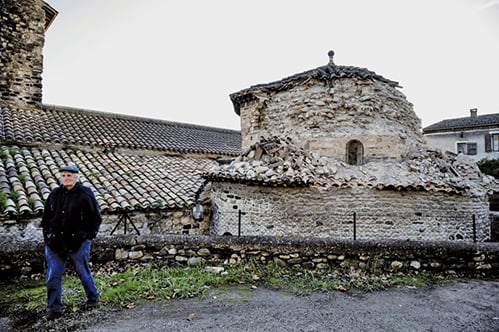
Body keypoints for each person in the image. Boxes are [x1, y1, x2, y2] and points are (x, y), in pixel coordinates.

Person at [41, 165, 102, 320]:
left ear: (76, 177)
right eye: (63, 175)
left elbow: (96, 218)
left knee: (82, 271)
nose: (66, 178)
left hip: (78, 242)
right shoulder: (55, 194)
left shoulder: (85, 194)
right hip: (55, 243)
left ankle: (93, 297)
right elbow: (46, 218)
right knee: (53, 275)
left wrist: (88, 237)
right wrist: (47, 237)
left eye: (69, 175)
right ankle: (54, 308)